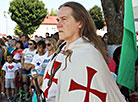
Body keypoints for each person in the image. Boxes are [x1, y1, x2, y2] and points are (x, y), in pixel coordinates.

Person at [53, 2, 126, 102]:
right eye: (58, 20)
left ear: (80, 23)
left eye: (64, 19)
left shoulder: (88, 53)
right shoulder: (69, 52)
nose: (58, 25)